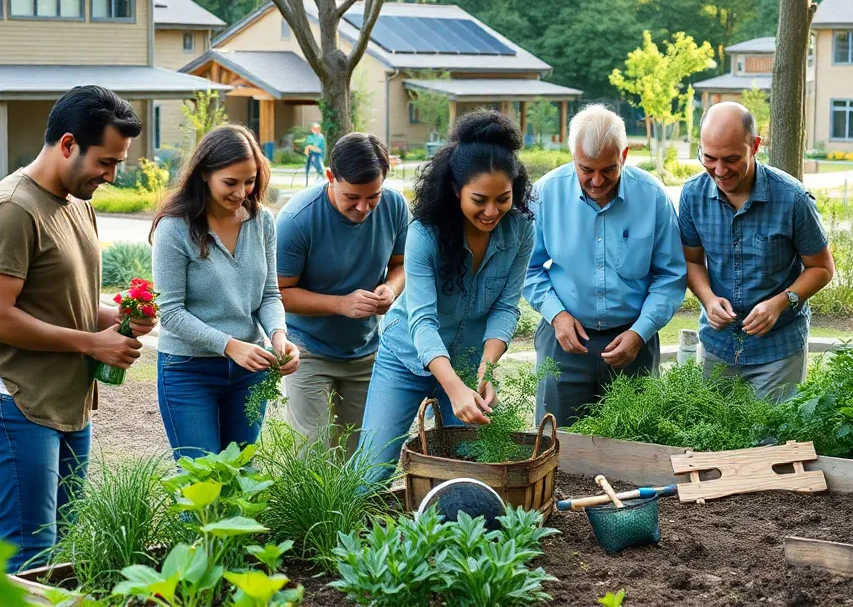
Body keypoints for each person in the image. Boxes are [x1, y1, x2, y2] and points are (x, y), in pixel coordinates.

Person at [0, 85, 152, 572]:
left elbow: (64, 303)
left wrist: (118, 318)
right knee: (30, 555)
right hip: (13, 398)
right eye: (105, 162)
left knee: (65, 554)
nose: (111, 175)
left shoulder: (76, 202)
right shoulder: (13, 210)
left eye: (117, 163)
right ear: (68, 144)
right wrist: (93, 343)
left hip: (63, 399)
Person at [356, 111, 536, 483]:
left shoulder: (520, 231)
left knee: (473, 469)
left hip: (469, 360)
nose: (492, 212)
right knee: (372, 469)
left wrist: (486, 369)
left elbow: (505, 307)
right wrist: (453, 387)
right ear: (456, 191)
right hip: (405, 355)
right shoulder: (425, 233)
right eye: (479, 200)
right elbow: (422, 321)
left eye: (503, 199)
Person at [525, 104, 686, 427]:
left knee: (636, 444)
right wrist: (557, 315)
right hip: (564, 341)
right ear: (572, 156)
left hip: (634, 342)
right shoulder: (544, 194)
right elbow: (526, 270)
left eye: (609, 170)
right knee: (558, 443)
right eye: (586, 169)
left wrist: (640, 333)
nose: (597, 181)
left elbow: (671, 276)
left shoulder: (652, 197)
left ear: (624, 155)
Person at [151, 124, 301, 460]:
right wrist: (229, 346)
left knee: (239, 476)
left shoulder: (261, 220)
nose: (242, 192)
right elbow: (170, 312)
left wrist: (278, 336)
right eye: (230, 183)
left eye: (250, 181)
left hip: (249, 372)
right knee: (202, 479)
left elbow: (269, 294)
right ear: (204, 174)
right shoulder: (175, 227)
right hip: (189, 369)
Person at [678, 103, 835, 401]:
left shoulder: (793, 199)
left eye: (732, 159)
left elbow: (822, 268)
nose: (720, 171)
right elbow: (691, 261)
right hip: (718, 346)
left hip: (778, 349)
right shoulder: (692, 195)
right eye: (709, 158)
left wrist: (779, 304)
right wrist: (708, 300)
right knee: (716, 440)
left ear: (755, 146)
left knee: (772, 444)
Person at [278, 132, 407, 451]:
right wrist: (341, 304)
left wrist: (390, 290)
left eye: (372, 196)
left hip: (365, 350)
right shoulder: (297, 219)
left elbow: (402, 265)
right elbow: (279, 293)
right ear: (330, 177)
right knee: (312, 453)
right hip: (306, 350)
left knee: (361, 454)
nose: (363, 207)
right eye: (352, 197)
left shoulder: (394, 206)